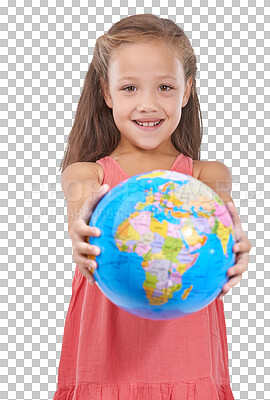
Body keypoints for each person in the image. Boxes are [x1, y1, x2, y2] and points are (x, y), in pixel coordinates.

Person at [53, 13, 252, 400]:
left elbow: (229, 221)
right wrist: (81, 229)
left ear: (186, 91)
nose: (147, 104)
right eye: (129, 88)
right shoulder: (88, 174)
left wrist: (237, 245)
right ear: (106, 93)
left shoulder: (208, 176)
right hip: (105, 372)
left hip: (189, 368)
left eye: (164, 86)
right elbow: (80, 209)